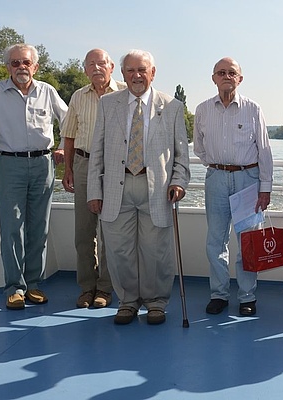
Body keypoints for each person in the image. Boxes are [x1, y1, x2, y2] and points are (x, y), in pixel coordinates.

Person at [87, 49, 190, 325]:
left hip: (156, 188)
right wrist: (94, 191)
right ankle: (128, 302)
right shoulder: (108, 104)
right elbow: (97, 150)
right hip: (116, 187)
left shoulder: (172, 107)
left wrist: (178, 182)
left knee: (156, 251)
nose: (136, 76)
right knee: (120, 251)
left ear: (152, 73)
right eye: (130, 70)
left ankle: (156, 302)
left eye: (142, 70)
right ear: (123, 74)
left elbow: (182, 155)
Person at [0, 43, 67, 310]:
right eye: (15, 63)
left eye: (25, 63)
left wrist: (64, 146)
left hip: (44, 164)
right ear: (7, 67)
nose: (21, 67)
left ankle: (33, 284)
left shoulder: (48, 91)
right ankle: (15, 287)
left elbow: (70, 122)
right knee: (11, 227)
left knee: (38, 227)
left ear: (35, 66)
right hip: (10, 164)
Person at [193, 57, 273, 317]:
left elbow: (265, 150)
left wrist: (265, 187)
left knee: (248, 242)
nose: (226, 76)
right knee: (215, 241)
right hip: (216, 178)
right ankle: (219, 294)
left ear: (240, 78)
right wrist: (217, 166)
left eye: (232, 73)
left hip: (247, 180)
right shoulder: (203, 110)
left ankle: (247, 296)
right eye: (221, 72)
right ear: (213, 78)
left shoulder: (253, 109)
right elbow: (199, 148)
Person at [62, 49, 126, 309]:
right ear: (85, 70)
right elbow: (68, 136)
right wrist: (67, 169)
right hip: (84, 163)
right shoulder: (78, 96)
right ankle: (86, 287)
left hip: (115, 166)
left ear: (111, 67)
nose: (97, 68)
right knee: (84, 231)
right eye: (92, 64)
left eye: (102, 63)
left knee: (110, 229)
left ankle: (106, 288)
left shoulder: (125, 93)